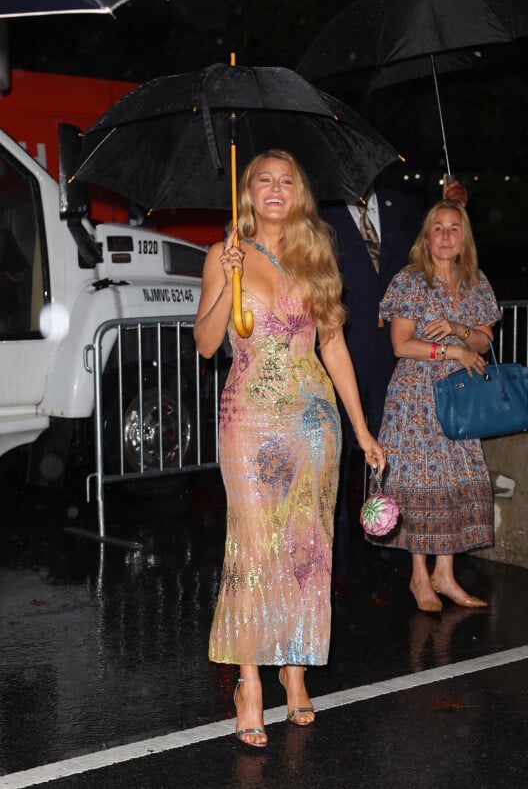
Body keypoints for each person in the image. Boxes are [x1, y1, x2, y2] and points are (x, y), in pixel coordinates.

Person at [193, 149, 385, 747]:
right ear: (246, 192)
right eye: (263, 181)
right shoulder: (223, 256)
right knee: (253, 546)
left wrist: (360, 428)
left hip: (313, 420)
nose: (275, 189)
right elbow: (204, 345)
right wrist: (226, 283)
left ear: (298, 194)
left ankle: (295, 670)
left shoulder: (315, 255)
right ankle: (249, 679)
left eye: (286, 181)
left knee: (307, 546)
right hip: (249, 417)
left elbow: (333, 347)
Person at [319, 172, 468, 594]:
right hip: (343, 350)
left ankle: (407, 559)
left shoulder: (402, 207)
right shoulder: (321, 212)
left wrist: (454, 207)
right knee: (341, 458)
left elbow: (440, 248)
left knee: (401, 456)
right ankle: (338, 562)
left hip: (400, 361)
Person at [370, 198, 502, 612]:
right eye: (438, 228)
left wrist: (460, 331)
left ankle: (445, 574)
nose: (446, 236)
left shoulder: (475, 282)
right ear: (426, 238)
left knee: (452, 483)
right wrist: (451, 351)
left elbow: (484, 339)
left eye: (454, 228)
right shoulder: (410, 281)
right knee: (420, 483)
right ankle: (419, 577)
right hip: (415, 398)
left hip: (460, 397)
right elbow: (400, 344)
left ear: (464, 239)